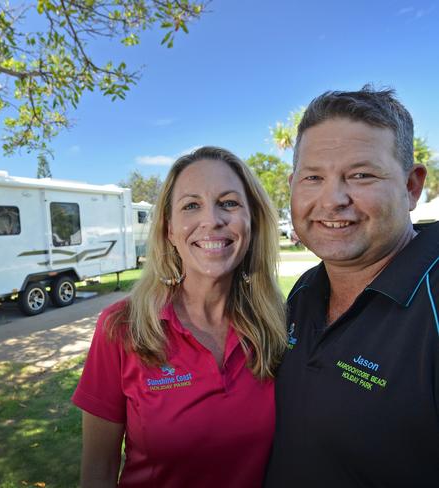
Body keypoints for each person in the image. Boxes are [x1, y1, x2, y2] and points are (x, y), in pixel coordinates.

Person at [72, 146, 287, 487]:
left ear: (253, 220)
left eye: (229, 203)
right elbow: (98, 468)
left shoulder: (278, 325)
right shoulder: (122, 327)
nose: (212, 220)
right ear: (169, 230)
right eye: (191, 206)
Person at [265, 86, 439, 487]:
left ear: (412, 187)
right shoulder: (306, 290)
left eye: (361, 175)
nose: (333, 199)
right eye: (313, 177)